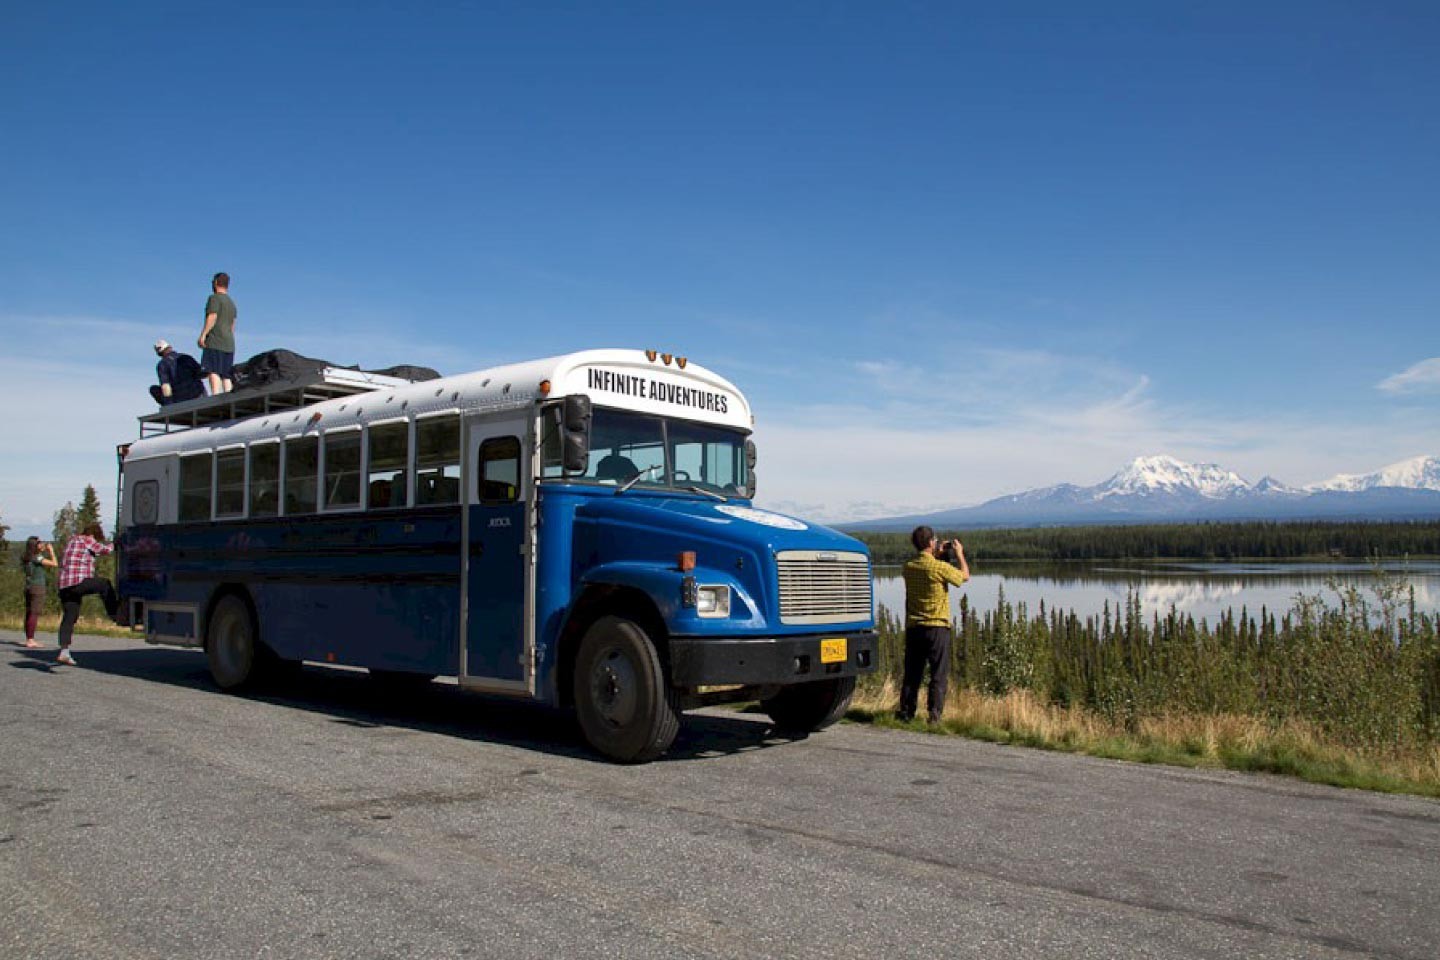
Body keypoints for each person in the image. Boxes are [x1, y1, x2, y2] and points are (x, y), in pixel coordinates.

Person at [898, 525, 970, 724]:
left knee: (912, 673)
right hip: (937, 627)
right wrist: (959, 554)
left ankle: (906, 712)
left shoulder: (908, 567)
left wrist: (936, 553)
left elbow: (927, 567)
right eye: (935, 541)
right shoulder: (938, 568)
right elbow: (964, 576)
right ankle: (934, 715)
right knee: (938, 674)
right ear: (931, 542)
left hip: (915, 627)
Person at [56, 523, 120, 666]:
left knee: (69, 616)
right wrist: (115, 544)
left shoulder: (72, 540)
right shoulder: (87, 539)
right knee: (104, 585)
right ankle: (115, 613)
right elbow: (103, 550)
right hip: (77, 581)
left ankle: (64, 651)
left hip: (64, 586)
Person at [197, 271, 238, 395]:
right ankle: (229, 394)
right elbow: (233, 325)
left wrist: (203, 335)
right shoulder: (232, 303)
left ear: (215, 283)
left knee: (213, 370)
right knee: (226, 373)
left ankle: (216, 395)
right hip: (229, 343)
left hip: (215, 340)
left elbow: (212, 316)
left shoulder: (214, 298)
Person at [20, 537, 58, 649]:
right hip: (37, 587)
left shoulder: (27, 557)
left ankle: (28, 637)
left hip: (29, 586)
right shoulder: (37, 557)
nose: (42, 545)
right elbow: (54, 563)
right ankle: (31, 639)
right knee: (34, 612)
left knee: (29, 612)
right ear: (35, 545)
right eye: (40, 543)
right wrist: (51, 551)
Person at [149, 339, 206, 405]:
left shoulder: (162, 364)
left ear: (159, 353)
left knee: (153, 389)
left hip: (179, 399)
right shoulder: (186, 357)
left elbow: (165, 386)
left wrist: (169, 406)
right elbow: (202, 373)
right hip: (198, 395)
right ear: (170, 347)